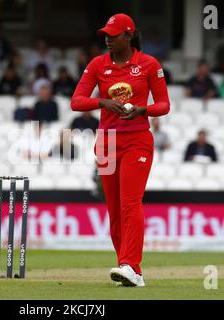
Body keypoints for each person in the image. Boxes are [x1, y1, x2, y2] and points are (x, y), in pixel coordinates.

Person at [71, 13, 170, 287]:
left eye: (113, 35)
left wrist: (142, 110)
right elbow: (76, 102)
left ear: (128, 35)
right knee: (114, 209)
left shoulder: (149, 64)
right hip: (106, 143)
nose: (107, 39)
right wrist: (103, 102)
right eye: (105, 35)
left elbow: (164, 105)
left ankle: (131, 266)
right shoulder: (97, 65)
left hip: (137, 139)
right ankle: (125, 267)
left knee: (130, 203)